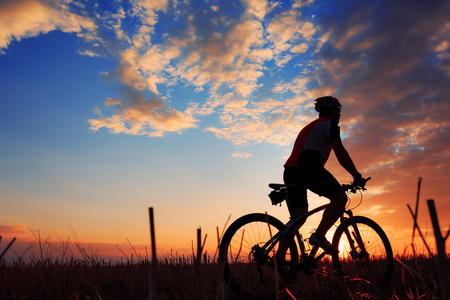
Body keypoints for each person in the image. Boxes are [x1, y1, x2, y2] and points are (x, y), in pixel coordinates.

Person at [282, 96, 366, 254]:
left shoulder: (311, 126)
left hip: (291, 171)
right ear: (331, 111)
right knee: (340, 198)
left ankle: (279, 258)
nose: (339, 115)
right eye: (338, 110)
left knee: (299, 216)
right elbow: (340, 152)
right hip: (307, 168)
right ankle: (319, 236)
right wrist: (356, 175)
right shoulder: (329, 124)